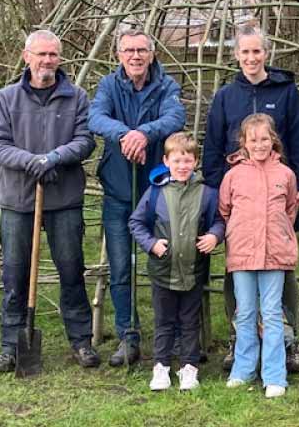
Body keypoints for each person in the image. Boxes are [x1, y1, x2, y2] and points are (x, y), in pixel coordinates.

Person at [0, 29, 98, 373]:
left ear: (59, 58)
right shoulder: (8, 98)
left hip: (64, 199)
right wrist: (31, 162)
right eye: (41, 54)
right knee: (14, 274)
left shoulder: (76, 97)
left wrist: (54, 158)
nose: (47, 61)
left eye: (52, 55)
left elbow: (85, 141)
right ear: (27, 57)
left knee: (71, 270)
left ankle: (81, 341)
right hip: (18, 201)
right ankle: (11, 347)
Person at [202, 24, 299, 372]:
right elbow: (213, 145)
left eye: (257, 51)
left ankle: (288, 340)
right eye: (245, 52)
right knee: (237, 272)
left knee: (283, 273)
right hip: (240, 200)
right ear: (236, 55)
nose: (251, 58)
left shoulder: (285, 91)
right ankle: (240, 337)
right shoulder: (226, 96)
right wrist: (218, 189)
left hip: (278, 195)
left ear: (266, 53)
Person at [88, 26, 186, 367]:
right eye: (129, 50)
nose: (135, 56)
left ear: (152, 54)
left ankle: (173, 335)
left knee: (169, 261)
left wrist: (145, 134)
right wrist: (126, 135)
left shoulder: (166, 86)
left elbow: (175, 117)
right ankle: (128, 336)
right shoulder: (109, 86)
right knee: (120, 267)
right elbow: (96, 117)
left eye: (141, 50)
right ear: (119, 55)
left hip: (158, 192)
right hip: (118, 190)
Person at [128, 132, 225, 391]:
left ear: (196, 162)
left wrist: (215, 236)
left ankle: (189, 367)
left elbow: (219, 221)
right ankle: (161, 366)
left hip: (194, 270)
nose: (182, 166)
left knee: (190, 321)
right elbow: (136, 222)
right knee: (164, 321)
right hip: (163, 271)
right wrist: (151, 244)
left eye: (188, 161)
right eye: (177, 161)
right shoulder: (155, 192)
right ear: (166, 161)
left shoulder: (207, 193)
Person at [219, 113, 299, 399]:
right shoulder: (233, 176)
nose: (259, 145)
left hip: (275, 253)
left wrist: (278, 234)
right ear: (244, 142)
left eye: (265, 139)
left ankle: (274, 375)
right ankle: (243, 369)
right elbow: (225, 210)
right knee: (245, 312)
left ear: (273, 140)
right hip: (242, 253)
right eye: (253, 140)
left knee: (273, 313)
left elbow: (290, 210)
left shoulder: (285, 175)